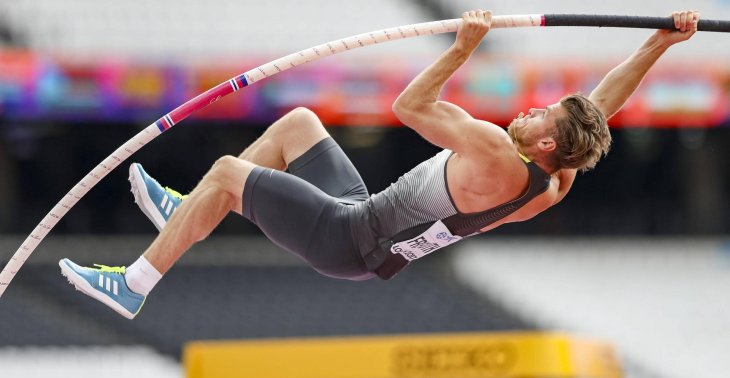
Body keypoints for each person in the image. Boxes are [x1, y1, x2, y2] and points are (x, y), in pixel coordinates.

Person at [59, 10, 701, 319]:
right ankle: (184, 210)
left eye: (540, 118)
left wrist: (461, 50)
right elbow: (601, 105)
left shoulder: (493, 151)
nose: (529, 112)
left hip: (349, 239)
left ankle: (133, 286)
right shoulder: (553, 182)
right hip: (368, 226)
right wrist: (658, 42)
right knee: (298, 124)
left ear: (544, 146)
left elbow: (408, 104)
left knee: (228, 172)